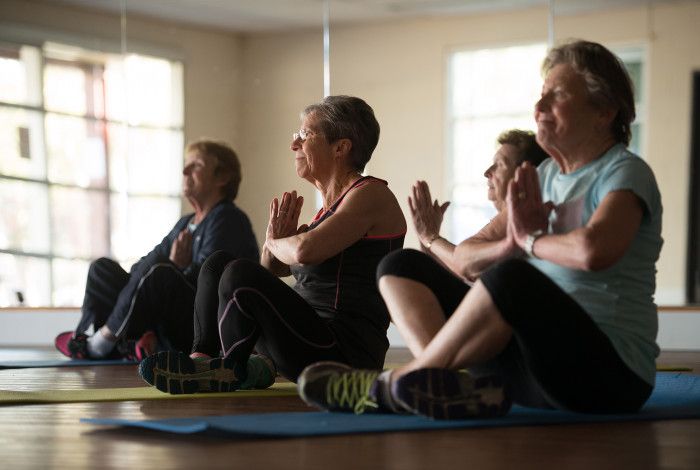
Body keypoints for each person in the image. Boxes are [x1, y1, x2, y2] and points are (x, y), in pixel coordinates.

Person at [299, 39, 663, 420]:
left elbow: (595, 250)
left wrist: (529, 241)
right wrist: (510, 244)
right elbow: (465, 260)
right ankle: (442, 388)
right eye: (541, 96)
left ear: (604, 111)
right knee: (400, 266)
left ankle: (400, 383)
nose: (538, 108)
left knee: (513, 278)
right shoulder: (544, 175)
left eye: (555, 97)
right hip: (536, 376)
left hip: (609, 378)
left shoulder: (623, 170)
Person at [138, 95, 407, 393]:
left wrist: (275, 240)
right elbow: (267, 271)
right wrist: (276, 243)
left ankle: (231, 369)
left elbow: (304, 251)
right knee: (218, 264)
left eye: (305, 135)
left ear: (341, 147)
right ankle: (202, 361)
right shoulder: (326, 212)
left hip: (345, 353)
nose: (294, 144)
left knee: (239, 271)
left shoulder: (371, 194)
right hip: (304, 340)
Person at [55, 140, 259, 360]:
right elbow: (147, 262)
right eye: (185, 164)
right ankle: (115, 343)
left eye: (196, 165)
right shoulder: (186, 222)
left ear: (222, 177)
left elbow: (208, 283)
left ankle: (100, 345)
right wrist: (158, 272)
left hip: (204, 328)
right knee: (102, 269)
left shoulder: (227, 218)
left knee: (160, 272)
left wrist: (175, 269)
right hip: (168, 316)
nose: (184, 171)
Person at [409, 129, 548, 283]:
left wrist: (430, 237)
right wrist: (426, 237)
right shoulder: (498, 222)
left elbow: (463, 265)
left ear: (525, 174)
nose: (487, 172)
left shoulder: (524, 217)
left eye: (499, 165)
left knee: (401, 263)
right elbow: (453, 273)